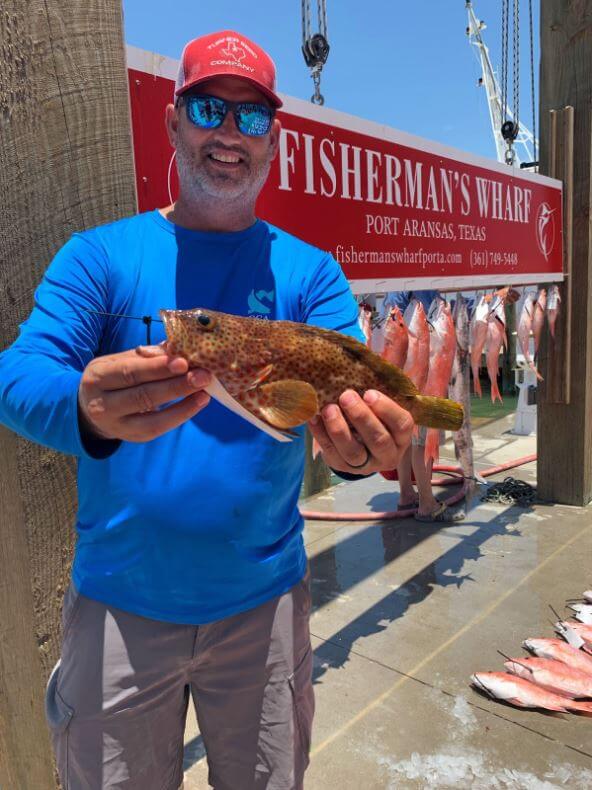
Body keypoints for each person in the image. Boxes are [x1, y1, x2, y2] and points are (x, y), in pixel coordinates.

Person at [0, 30, 413, 789]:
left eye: (252, 117)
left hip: (266, 608)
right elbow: (17, 377)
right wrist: (85, 404)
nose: (229, 132)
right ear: (172, 120)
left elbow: (348, 410)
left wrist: (361, 451)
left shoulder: (312, 275)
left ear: (274, 141)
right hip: (118, 606)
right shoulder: (101, 257)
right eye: (208, 108)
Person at [382, 290, 464, 522]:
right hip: (423, 371)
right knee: (423, 441)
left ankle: (406, 495)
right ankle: (427, 504)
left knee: (407, 437)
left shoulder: (396, 286)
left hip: (404, 374)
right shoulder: (421, 287)